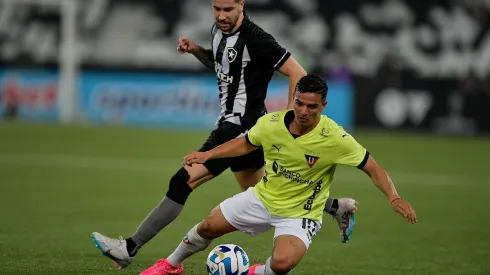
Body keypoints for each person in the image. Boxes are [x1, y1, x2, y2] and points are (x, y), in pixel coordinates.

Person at [91, 0, 358, 269]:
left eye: (228, 9)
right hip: (235, 124)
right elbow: (224, 65)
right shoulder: (219, 30)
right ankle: (336, 206)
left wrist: (286, 123)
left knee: (182, 181)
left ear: (241, 4)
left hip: (241, 127)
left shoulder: (257, 39)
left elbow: (297, 73)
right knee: (267, 191)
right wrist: (196, 51)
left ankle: (129, 248)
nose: (221, 15)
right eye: (216, 8)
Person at [138, 74, 417, 275]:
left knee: (283, 264)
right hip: (263, 197)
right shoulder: (271, 123)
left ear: (323, 106)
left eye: (312, 106)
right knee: (207, 227)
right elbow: (245, 143)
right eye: (299, 103)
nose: (304, 111)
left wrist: (394, 197)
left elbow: (373, 167)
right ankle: (170, 265)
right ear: (293, 99)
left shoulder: (335, 138)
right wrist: (209, 155)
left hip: (300, 213)